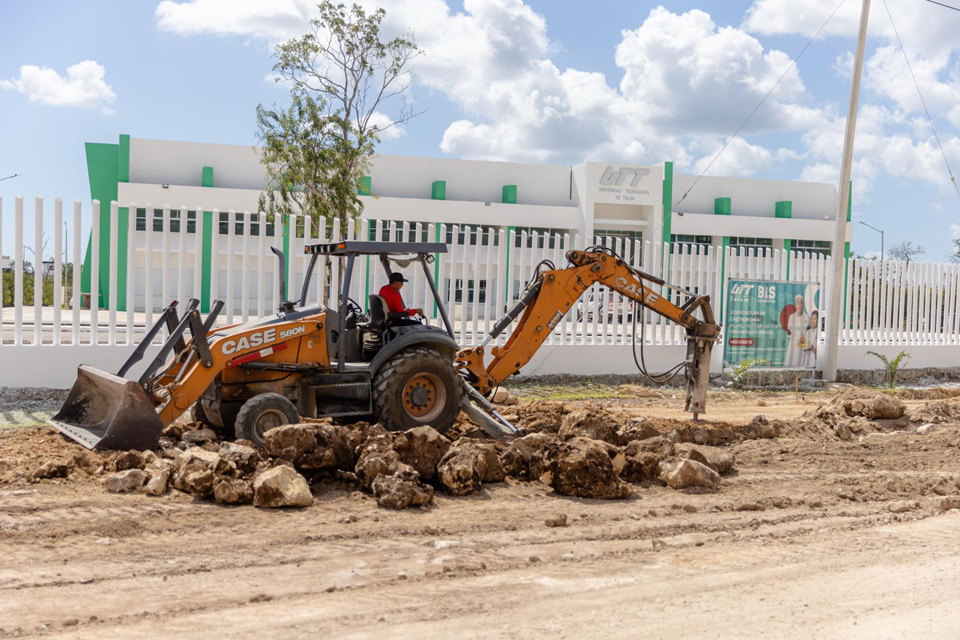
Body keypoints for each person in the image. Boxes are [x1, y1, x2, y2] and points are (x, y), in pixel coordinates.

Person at [783, 295, 813, 367]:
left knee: (800, 368)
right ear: (795, 305)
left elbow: (809, 333)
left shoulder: (807, 317)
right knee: (790, 368)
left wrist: (803, 341)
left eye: (801, 302)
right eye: (797, 303)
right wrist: (795, 342)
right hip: (792, 346)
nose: (799, 305)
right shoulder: (792, 317)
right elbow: (789, 334)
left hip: (802, 347)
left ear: (803, 304)